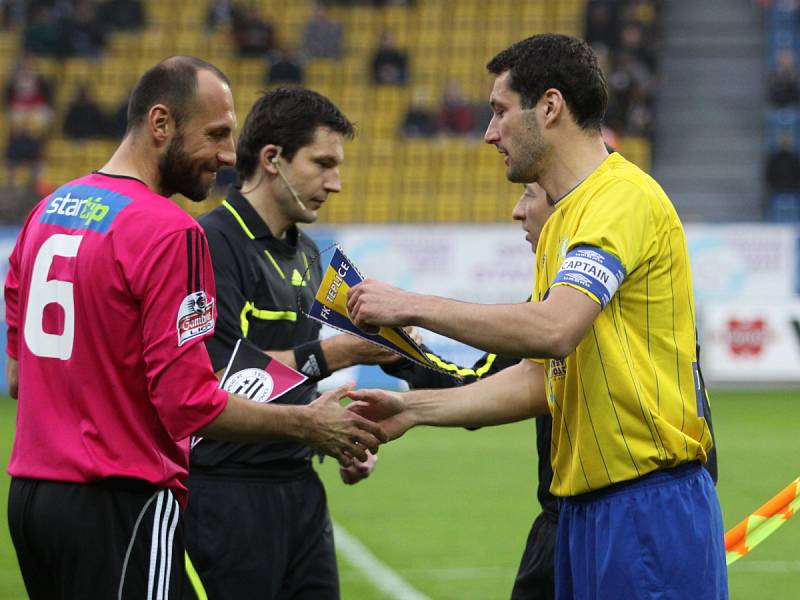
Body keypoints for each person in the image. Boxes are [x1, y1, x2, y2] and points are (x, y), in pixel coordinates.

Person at [346, 34, 726, 599]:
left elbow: (553, 329)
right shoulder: (564, 223)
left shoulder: (620, 198)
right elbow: (536, 379)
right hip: (585, 510)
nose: (488, 132)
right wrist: (412, 408)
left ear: (549, 107)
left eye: (499, 111)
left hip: (646, 505)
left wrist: (411, 303)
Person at [4, 57, 386, 600]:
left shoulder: (46, 214)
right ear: (161, 124)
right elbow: (189, 404)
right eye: (217, 135)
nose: (231, 155)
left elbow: (21, 379)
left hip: (33, 500)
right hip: (125, 498)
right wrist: (309, 426)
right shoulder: (170, 232)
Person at [184, 87, 401, 600]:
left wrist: (335, 434)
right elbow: (217, 377)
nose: (337, 183)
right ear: (273, 159)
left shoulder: (306, 251)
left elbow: (290, 378)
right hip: (228, 492)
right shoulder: (209, 241)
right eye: (323, 163)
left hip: (300, 486)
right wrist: (342, 351)